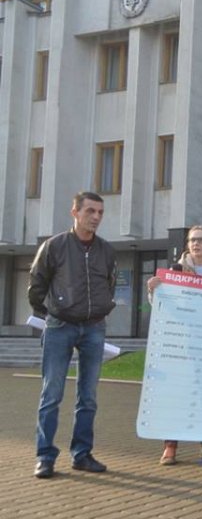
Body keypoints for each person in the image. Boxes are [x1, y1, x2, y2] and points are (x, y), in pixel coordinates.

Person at [28, 191, 117, 479]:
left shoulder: (106, 250)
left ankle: (82, 455)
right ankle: (45, 457)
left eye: (100, 212)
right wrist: (50, 313)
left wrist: (101, 308)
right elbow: (37, 285)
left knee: (88, 397)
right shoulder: (54, 246)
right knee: (51, 394)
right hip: (60, 326)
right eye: (90, 211)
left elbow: (109, 284)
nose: (96, 217)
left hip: (94, 328)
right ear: (75, 212)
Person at [147, 225, 202, 466]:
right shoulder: (174, 271)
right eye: (192, 240)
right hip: (179, 341)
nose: (196, 244)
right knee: (176, 392)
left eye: (201, 240)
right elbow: (161, 305)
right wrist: (152, 290)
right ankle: (170, 446)